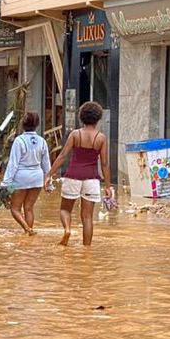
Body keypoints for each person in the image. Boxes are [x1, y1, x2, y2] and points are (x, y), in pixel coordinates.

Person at [45, 101, 114, 246]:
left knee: (65, 209)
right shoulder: (101, 138)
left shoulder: (75, 135)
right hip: (92, 180)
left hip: (73, 177)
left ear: (81, 117)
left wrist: (49, 174)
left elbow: (63, 156)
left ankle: (67, 230)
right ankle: (87, 251)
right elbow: (105, 164)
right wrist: (108, 186)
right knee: (87, 217)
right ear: (98, 119)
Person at [2, 111, 51, 235]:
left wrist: (6, 183)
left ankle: (27, 229)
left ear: (23, 124)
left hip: (20, 179)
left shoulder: (19, 141)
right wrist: (49, 183)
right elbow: (47, 165)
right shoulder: (42, 141)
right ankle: (28, 234)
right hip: (37, 179)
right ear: (37, 125)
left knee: (14, 208)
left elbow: (13, 164)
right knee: (29, 208)